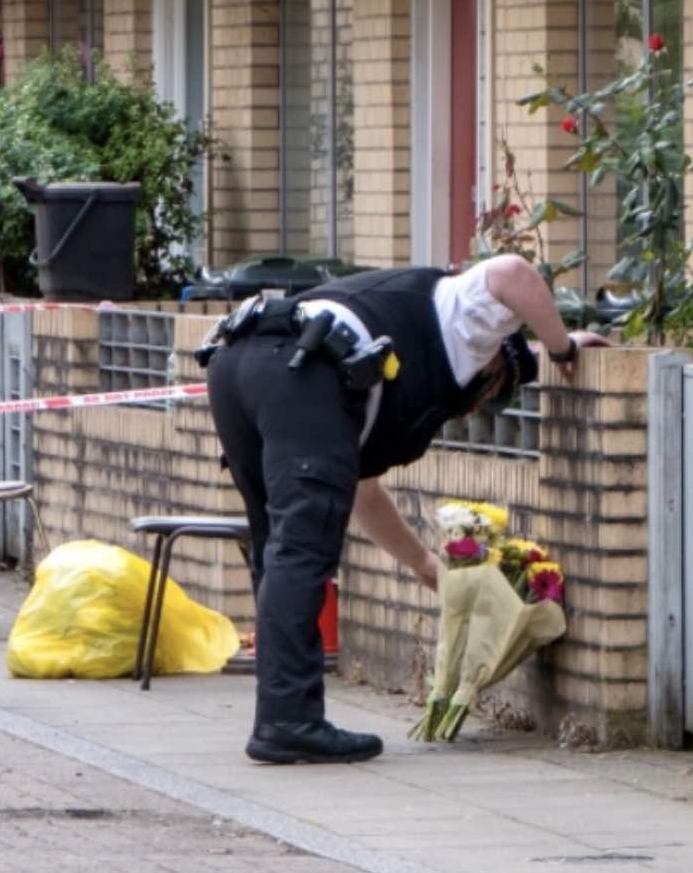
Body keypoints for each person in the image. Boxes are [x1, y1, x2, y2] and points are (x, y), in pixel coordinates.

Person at [202, 254, 607, 764]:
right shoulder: (457, 315)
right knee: (300, 552)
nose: (477, 408)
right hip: (297, 372)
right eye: (492, 393)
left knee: (279, 550)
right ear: (491, 365)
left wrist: (422, 564)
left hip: (242, 366)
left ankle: (289, 716)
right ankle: (287, 721)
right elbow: (513, 274)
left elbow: (361, 493)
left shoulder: (420, 354)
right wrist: (563, 347)